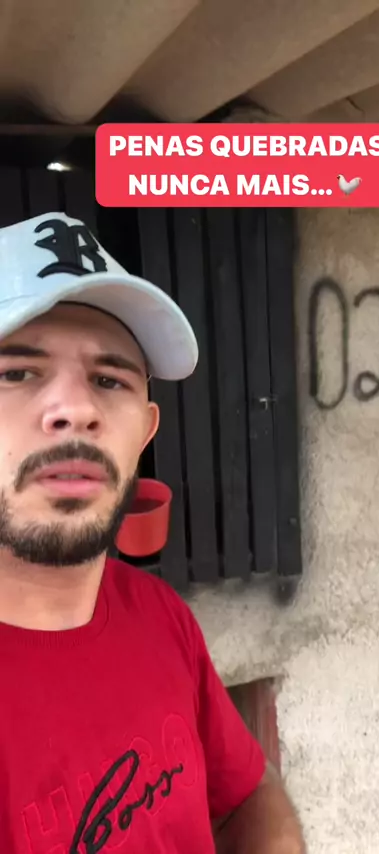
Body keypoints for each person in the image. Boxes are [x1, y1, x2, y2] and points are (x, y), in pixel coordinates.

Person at [0, 211, 306, 854]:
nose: (76, 409)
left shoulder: (159, 616)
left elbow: (249, 794)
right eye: (17, 372)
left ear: (144, 432)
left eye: (109, 380)